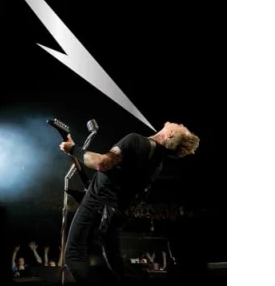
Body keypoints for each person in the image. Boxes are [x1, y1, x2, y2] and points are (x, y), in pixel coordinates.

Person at [59, 122, 200, 285]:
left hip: (97, 205)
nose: (180, 123)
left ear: (170, 135)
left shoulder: (135, 141)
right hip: (114, 214)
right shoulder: (157, 163)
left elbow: (101, 163)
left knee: (74, 255)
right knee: (114, 264)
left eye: (181, 127)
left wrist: (73, 149)